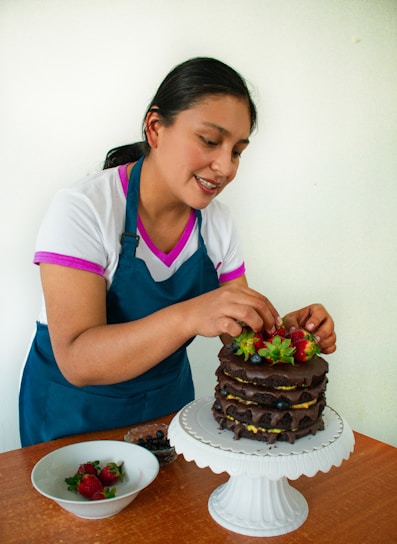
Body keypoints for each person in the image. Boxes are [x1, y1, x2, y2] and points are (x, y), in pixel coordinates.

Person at [19, 57, 336, 447]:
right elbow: (77, 359)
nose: (224, 167)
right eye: (209, 140)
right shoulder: (84, 209)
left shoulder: (217, 223)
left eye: (237, 151)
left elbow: (235, 336)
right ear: (156, 128)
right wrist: (190, 316)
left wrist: (283, 333)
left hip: (166, 412)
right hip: (76, 417)